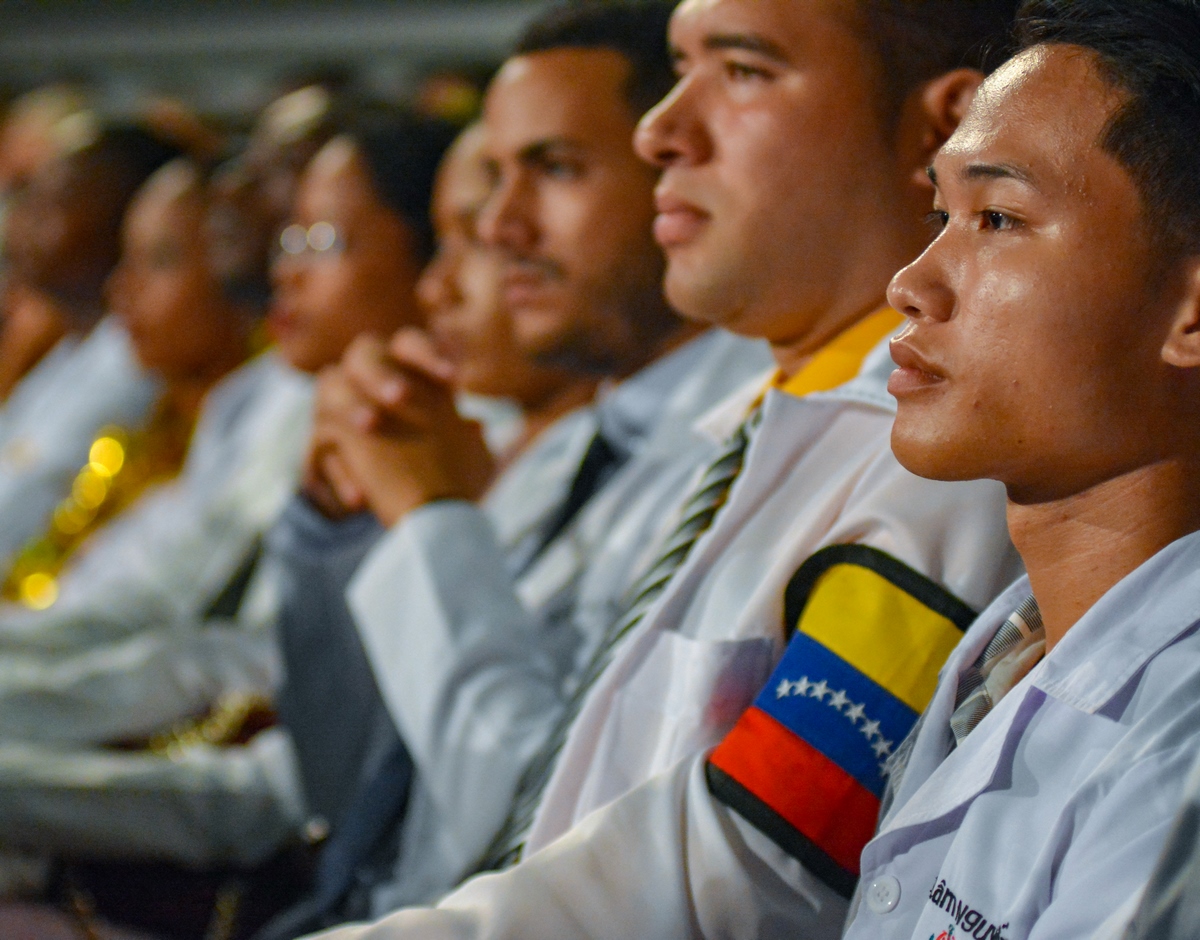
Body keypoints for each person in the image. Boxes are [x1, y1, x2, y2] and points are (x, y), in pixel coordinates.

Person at [307, 0, 1022, 937]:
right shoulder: (760, 422)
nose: (660, 132)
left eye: (743, 70)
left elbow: (740, 880)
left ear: (944, 127)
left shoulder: (943, 469)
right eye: (681, 66)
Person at [304, 1, 772, 922]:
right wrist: (319, 535)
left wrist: (435, 520)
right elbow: (338, 771)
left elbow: (535, 824)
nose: (501, 228)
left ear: (675, 179)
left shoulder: (745, 451)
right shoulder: (580, 440)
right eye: (495, 183)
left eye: (555, 170)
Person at [0, 107, 457, 940]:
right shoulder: (281, 401)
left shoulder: (449, 454)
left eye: (320, 241)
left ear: (434, 266)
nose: (284, 269)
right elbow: (171, 628)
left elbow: (260, 743)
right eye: (291, 239)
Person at [0, 123, 178, 565]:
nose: (20, 224)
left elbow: (24, 510)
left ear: (123, 222)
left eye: (51, 205)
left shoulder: (136, 359)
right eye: (27, 202)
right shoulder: (72, 346)